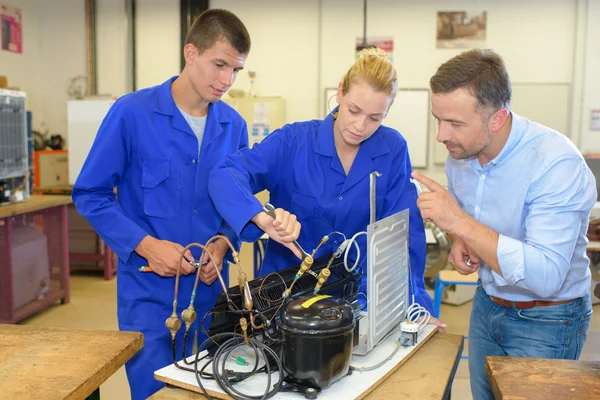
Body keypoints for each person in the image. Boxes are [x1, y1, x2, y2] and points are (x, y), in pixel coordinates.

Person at [72, 9, 252, 400]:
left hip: (211, 296)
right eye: (219, 64)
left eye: (236, 70)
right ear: (190, 52)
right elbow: (91, 193)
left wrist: (223, 243)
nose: (226, 80)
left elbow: (237, 202)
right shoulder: (132, 114)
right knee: (157, 393)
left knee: (214, 391)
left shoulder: (234, 126)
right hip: (150, 296)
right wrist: (146, 245)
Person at [412, 49, 595, 400]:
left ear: (497, 119)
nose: (441, 135)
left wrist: (460, 224)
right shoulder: (460, 155)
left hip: (548, 320)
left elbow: (545, 277)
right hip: (487, 304)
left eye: (454, 124)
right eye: (438, 119)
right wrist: (457, 240)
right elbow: (471, 226)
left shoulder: (556, 164)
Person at [209, 48, 436, 316]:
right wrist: (260, 217)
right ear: (340, 92)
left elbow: (405, 235)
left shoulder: (392, 149)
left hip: (359, 302)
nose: (360, 126)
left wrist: (415, 306)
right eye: (353, 110)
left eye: (375, 118)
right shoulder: (294, 141)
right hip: (284, 300)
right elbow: (226, 173)